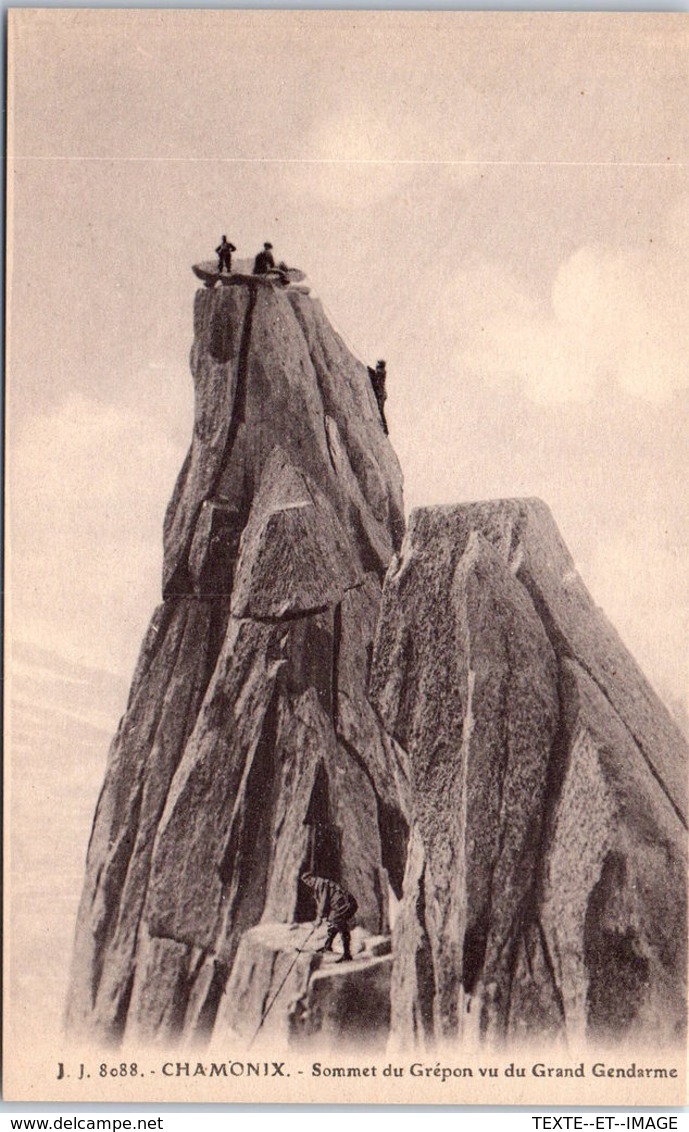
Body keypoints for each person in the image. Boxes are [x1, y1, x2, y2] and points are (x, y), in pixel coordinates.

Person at [301, 872, 357, 962]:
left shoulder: (321, 884)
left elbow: (323, 902)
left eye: (309, 880)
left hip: (345, 904)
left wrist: (319, 918)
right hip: (340, 905)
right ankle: (328, 946)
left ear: (313, 877)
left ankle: (347, 954)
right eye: (306, 882)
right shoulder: (319, 885)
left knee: (338, 923)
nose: (309, 883)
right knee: (333, 922)